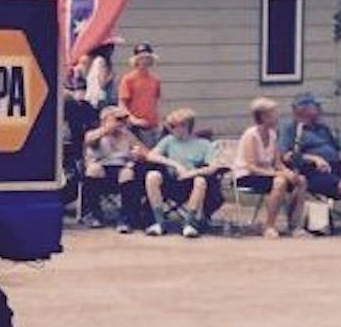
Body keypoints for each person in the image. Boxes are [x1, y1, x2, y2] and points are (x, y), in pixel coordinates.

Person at [280, 92, 341, 224]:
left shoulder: (323, 128)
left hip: (337, 169)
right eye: (317, 106)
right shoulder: (291, 129)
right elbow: (285, 155)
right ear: (303, 109)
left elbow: (339, 150)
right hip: (314, 173)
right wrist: (313, 158)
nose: (321, 109)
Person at [141, 108, 225, 238]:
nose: (171, 129)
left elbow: (213, 167)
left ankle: (189, 223)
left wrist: (191, 173)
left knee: (200, 181)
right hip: (171, 181)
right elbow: (151, 156)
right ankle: (159, 222)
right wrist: (175, 164)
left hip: (191, 184)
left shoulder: (204, 144)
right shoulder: (168, 141)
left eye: (174, 126)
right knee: (152, 176)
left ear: (185, 126)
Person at [233, 97, 307, 238]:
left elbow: (277, 164)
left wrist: (289, 173)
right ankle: (269, 226)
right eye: (274, 113)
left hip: (268, 174)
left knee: (301, 180)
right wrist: (277, 175)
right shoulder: (251, 135)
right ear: (263, 116)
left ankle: (294, 225)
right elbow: (251, 166)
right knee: (280, 181)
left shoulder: (273, 134)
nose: (277, 116)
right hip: (247, 176)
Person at [79, 105, 143, 230]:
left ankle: (125, 219)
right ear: (104, 120)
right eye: (117, 119)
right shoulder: (95, 134)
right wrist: (107, 129)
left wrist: (137, 155)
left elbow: (142, 151)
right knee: (94, 169)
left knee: (128, 172)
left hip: (121, 172)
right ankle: (93, 215)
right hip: (100, 172)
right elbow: (89, 140)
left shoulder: (127, 135)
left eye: (123, 120)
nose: (121, 123)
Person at [118, 41, 162, 145]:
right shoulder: (128, 79)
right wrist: (133, 119)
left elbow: (154, 102)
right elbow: (122, 104)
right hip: (136, 126)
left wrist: (158, 121)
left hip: (153, 125)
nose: (144, 61)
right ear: (136, 61)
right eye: (141, 58)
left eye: (147, 58)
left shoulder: (155, 80)